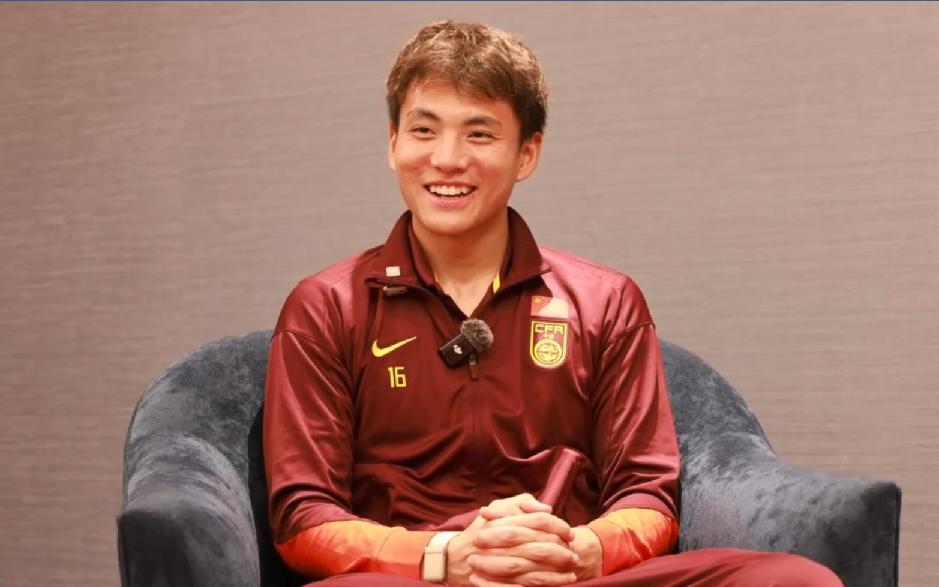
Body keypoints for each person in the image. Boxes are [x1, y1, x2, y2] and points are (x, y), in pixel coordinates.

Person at [263, 20, 843, 587]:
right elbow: (302, 517)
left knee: (796, 579)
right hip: (418, 577)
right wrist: (446, 556)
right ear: (393, 143)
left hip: (566, 570)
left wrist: (582, 550)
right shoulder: (326, 307)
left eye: (479, 134)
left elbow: (647, 495)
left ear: (527, 154)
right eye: (424, 130)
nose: (447, 158)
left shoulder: (605, 301)